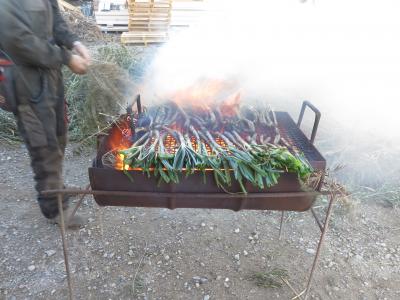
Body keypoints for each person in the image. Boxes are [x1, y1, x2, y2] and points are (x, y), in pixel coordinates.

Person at [0, 0, 91, 227]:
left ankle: (55, 186)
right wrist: (66, 58)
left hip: (50, 75)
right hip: (24, 80)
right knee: (43, 144)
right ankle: (54, 208)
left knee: (59, 135)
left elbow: (56, 21)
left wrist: (73, 42)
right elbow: (17, 41)